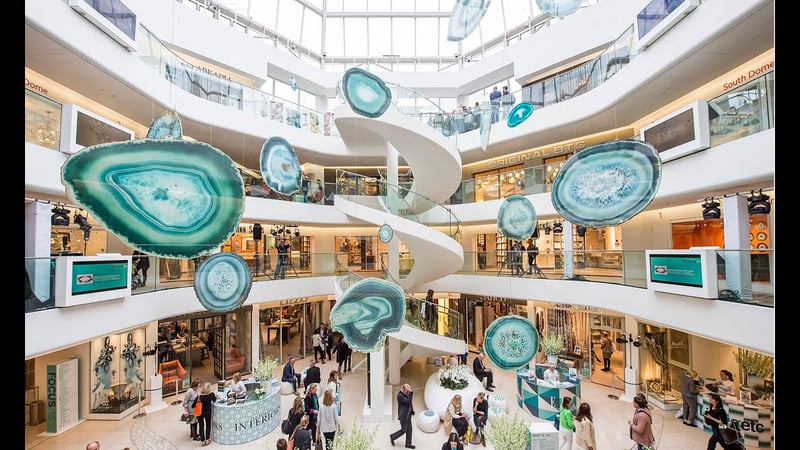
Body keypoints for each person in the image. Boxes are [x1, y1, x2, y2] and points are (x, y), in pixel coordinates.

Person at [389, 383, 415, 449]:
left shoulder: (406, 393)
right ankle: (393, 436)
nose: (409, 392)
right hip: (403, 416)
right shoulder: (400, 396)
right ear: (403, 389)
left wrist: (411, 410)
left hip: (408, 414)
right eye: (407, 390)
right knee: (404, 430)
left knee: (409, 429)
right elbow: (408, 401)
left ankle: (408, 444)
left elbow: (409, 403)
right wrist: (411, 392)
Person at [197, 381, 221, 446]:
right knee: (208, 425)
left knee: (201, 426)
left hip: (200, 413)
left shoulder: (199, 397)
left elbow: (193, 405)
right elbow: (214, 400)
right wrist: (216, 397)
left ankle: (202, 441)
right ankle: (207, 439)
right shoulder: (211, 395)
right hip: (207, 412)